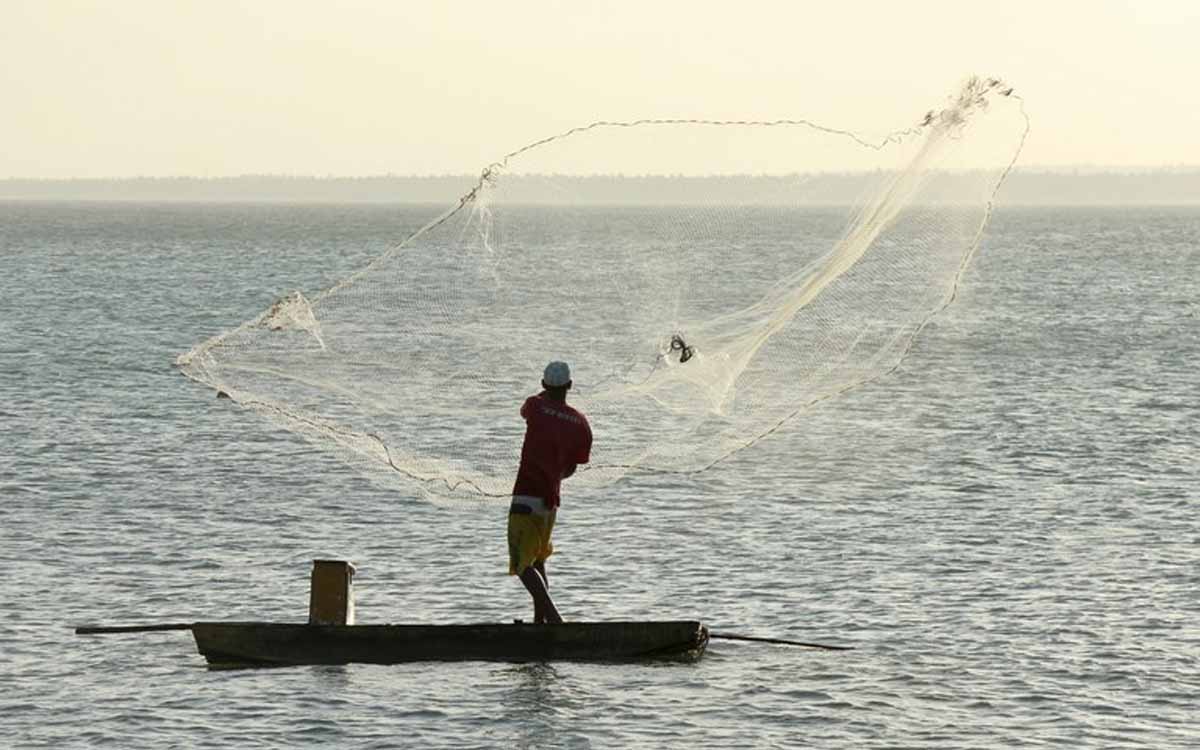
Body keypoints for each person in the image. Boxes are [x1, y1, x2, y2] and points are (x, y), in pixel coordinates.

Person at [508, 360, 592, 624]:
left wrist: (546, 395)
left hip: (525, 495)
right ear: (570, 385)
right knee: (539, 560)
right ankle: (539, 623)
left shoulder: (535, 405)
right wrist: (554, 476)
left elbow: (526, 410)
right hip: (550, 502)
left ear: (544, 384)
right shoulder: (580, 422)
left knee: (523, 563)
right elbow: (571, 468)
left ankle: (554, 618)